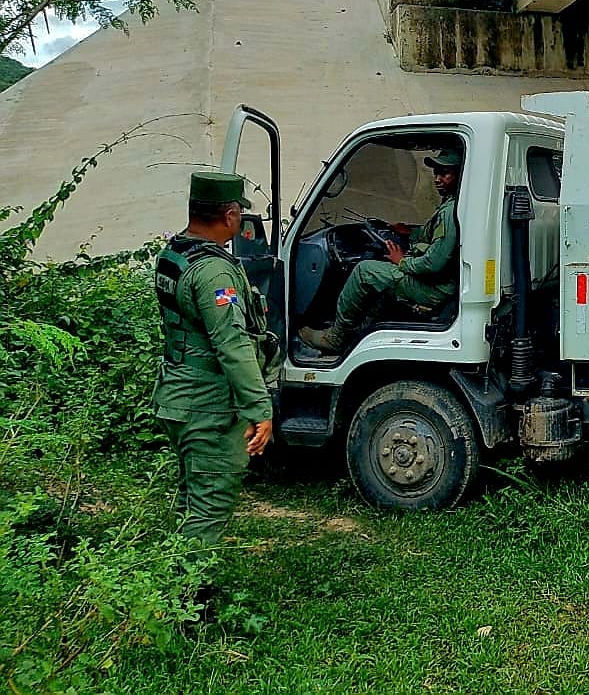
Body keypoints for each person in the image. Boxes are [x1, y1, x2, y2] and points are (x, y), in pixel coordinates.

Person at [153, 172, 275, 594]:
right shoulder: (213, 275)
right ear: (230, 214)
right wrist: (260, 409)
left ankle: (177, 586)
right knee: (209, 505)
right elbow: (232, 345)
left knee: (193, 498)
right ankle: (186, 605)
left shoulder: (176, 254)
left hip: (177, 397)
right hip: (207, 406)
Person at [301, 146, 461, 352]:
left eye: (445, 173)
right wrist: (408, 232)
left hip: (432, 289)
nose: (438, 179)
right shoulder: (451, 206)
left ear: (458, 175)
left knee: (364, 271)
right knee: (381, 274)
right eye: (436, 173)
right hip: (439, 285)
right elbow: (434, 236)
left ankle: (336, 336)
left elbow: (433, 262)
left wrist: (401, 261)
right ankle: (364, 330)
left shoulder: (449, 212)